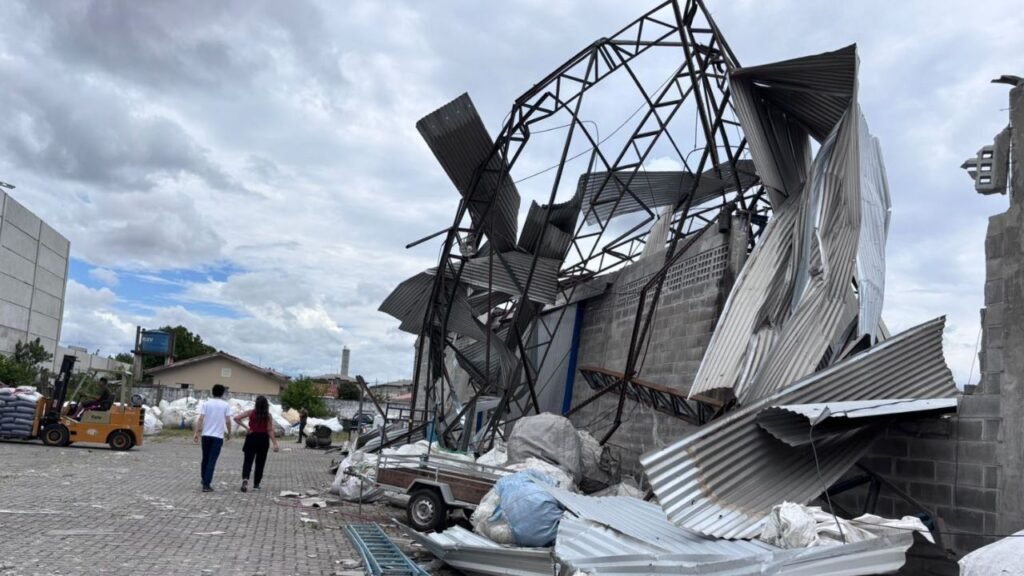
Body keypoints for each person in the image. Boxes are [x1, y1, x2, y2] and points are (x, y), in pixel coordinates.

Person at [233, 396, 280, 492]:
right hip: (263, 439)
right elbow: (269, 429)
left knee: (248, 461)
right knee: (260, 462)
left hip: (251, 437)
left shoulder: (250, 412)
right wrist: (275, 443)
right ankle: (256, 484)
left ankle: (245, 479)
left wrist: (247, 428)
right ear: (266, 405)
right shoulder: (268, 415)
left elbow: (236, 418)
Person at [192, 384, 231, 492]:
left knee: (205, 458)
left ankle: (204, 479)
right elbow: (228, 421)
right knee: (212, 461)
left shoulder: (206, 404)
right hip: (217, 437)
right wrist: (229, 433)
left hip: (206, 436)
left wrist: (196, 433)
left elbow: (200, 419)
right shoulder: (225, 405)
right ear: (222, 393)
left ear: (212, 392)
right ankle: (206, 484)